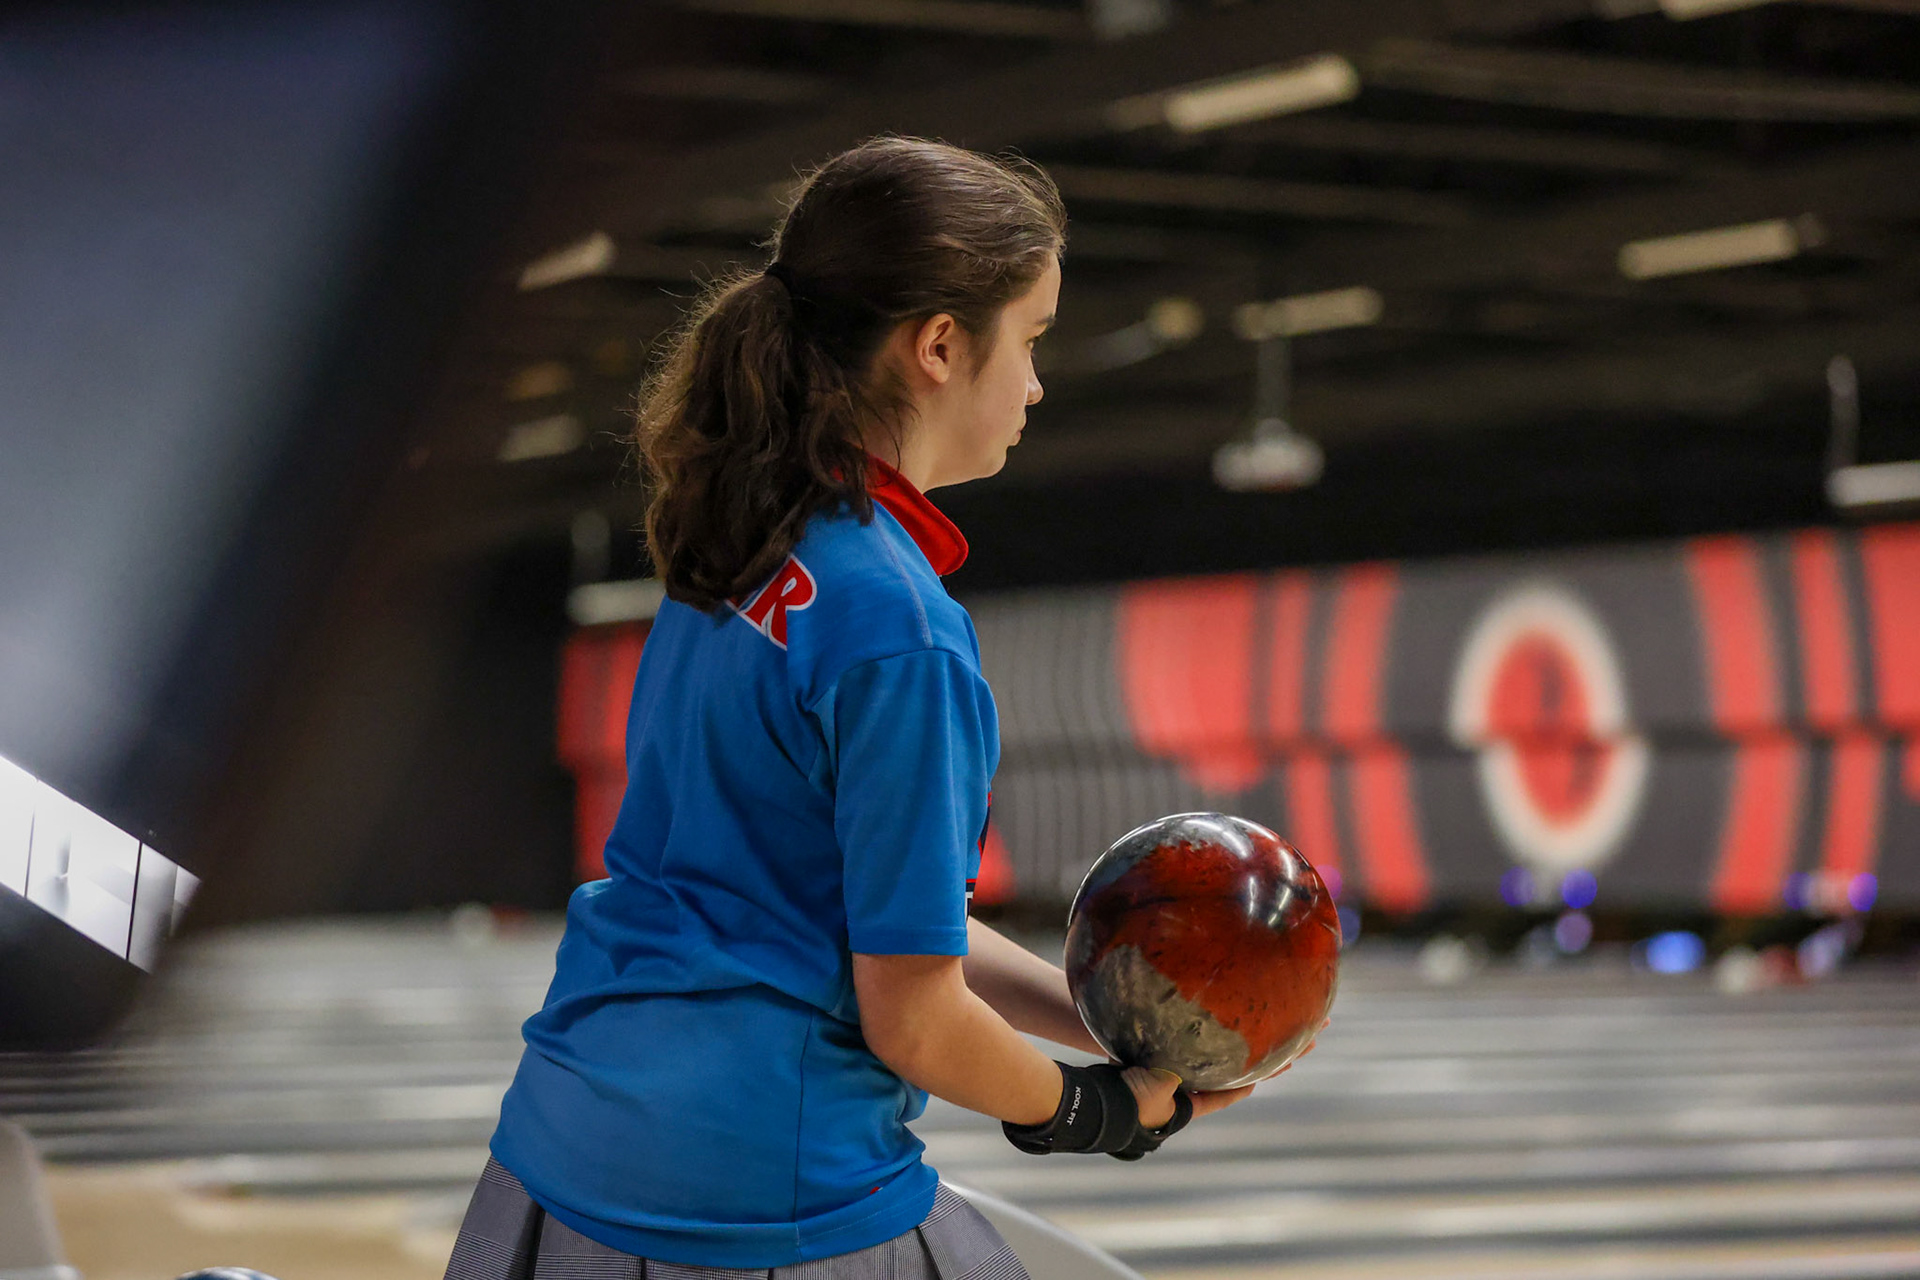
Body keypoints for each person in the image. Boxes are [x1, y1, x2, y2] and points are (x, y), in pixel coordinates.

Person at [444, 136, 1271, 1280]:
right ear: (939, 345)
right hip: (754, 1192)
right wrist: (1100, 1112)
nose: (1036, 382)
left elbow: (891, 926)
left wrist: (1121, 1031)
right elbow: (914, 1017)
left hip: (560, 1144)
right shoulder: (904, 631)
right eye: (1030, 341)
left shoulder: (740, 533)